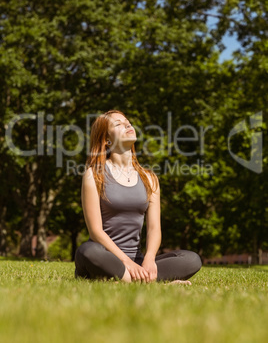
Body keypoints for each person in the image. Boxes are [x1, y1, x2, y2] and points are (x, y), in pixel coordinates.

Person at [74, 110, 202, 284]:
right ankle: (148, 281)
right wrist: (125, 262)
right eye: (118, 124)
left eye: (127, 122)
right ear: (106, 140)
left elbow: (154, 229)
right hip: (105, 257)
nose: (127, 125)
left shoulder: (149, 178)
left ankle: (132, 279)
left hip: (138, 261)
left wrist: (149, 259)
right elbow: (96, 231)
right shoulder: (94, 175)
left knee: (191, 259)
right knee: (87, 251)